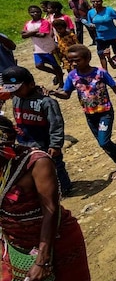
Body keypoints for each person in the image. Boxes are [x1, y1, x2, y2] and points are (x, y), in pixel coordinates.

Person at [0, 116, 113, 281]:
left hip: (56, 239)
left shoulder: (36, 162)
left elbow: (50, 211)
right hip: (15, 244)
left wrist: (42, 259)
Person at [50, 44, 116, 181]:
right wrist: (54, 93)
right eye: (71, 61)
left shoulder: (100, 73)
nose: (74, 63)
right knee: (103, 144)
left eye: (77, 60)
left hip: (105, 112)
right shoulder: (72, 76)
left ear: (87, 58)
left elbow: (114, 88)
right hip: (89, 114)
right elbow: (66, 94)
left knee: (103, 141)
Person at [2, 66, 72, 196]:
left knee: (55, 166)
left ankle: (64, 188)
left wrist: (55, 144)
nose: (15, 93)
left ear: (31, 84)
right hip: (25, 143)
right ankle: (44, 189)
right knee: (31, 167)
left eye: (18, 89)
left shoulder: (46, 102)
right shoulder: (17, 99)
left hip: (45, 142)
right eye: (12, 90)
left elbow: (56, 124)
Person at [84, 0, 116, 71]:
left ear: (101, 1)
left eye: (98, 1)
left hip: (114, 35)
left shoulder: (109, 10)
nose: (96, 3)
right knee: (101, 54)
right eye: (93, 1)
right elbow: (89, 23)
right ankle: (105, 72)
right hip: (100, 37)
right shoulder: (90, 13)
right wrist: (90, 26)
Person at [22, 5, 64, 87]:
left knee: (55, 65)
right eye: (33, 12)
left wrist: (30, 33)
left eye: (37, 12)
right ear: (29, 13)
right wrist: (36, 30)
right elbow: (23, 35)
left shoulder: (44, 22)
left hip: (49, 48)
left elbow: (42, 35)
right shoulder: (28, 23)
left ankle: (61, 83)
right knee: (39, 65)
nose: (35, 13)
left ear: (41, 12)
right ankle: (57, 74)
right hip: (37, 49)